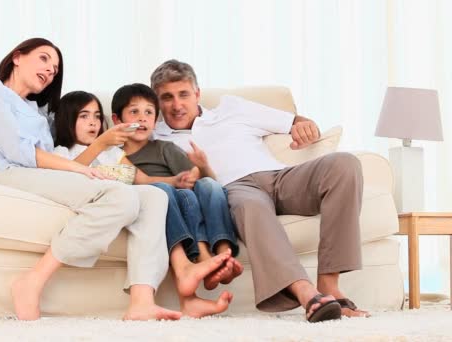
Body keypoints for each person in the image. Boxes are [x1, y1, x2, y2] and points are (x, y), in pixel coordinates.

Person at [0, 37, 182, 321]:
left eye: (54, 68)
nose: (50, 70)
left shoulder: (36, 111)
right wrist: (76, 169)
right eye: (44, 59)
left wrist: (88, 157)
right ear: (17, 57)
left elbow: (63, 142)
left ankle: (141, 300)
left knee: (155, 196)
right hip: (8, 174)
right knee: (121, 196)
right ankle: (32, 281)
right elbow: (19, 151)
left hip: (40, 175)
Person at [149, 59, 370, 322]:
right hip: (235, 190)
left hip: (279, 177)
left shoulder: (232, 108)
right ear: (157, 101)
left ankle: (329, 285)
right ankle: (307, 294)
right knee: (250, 206)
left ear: (197, 93)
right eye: (167, 98)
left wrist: (303, 125)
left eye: (183, 94)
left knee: (344, 164)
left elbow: (294, 121)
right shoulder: (155, 138)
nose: (176, 105)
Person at [53, 89, 235, 318]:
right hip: (115, 205)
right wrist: (99, 144)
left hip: (139, 199)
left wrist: (174, 180)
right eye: (84, 116)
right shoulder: (62, 152)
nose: (93, 122)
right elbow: (73, 171)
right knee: (161, 195)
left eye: (97, 116)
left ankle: (190, 293)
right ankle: (189, 273)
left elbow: (142, 178)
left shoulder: (113, 153)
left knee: (175, 193)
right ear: (66, 119)